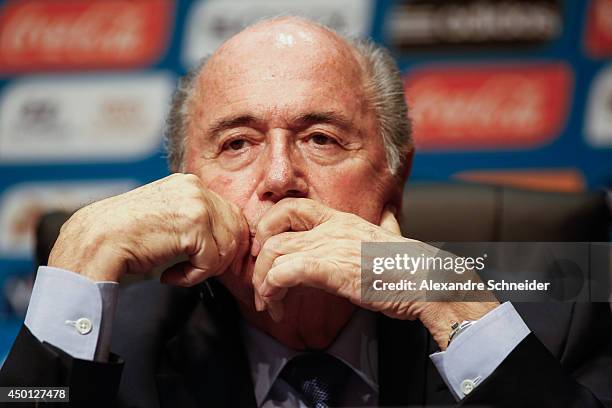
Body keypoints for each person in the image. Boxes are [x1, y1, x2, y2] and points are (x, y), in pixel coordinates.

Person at [1, 16, 611, 408]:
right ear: (185, 186)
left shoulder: (557, 306)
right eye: (237, 143)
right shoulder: (119, 341)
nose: (277, 178)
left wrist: (448, 302)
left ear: (393, 179)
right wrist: (80, 253)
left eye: (321, 138)